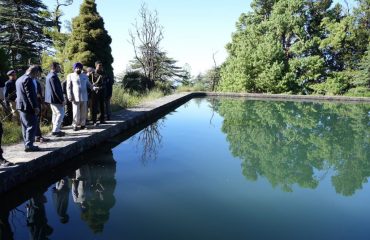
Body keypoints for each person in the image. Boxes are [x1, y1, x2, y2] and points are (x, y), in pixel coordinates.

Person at [16, 65, 41, 152]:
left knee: (24, 126)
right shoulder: (28, 79)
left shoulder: (19, 79)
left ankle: (27, 144)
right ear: (33, 72)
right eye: (36, 74)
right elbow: (30, 95)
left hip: (20, 106)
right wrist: (35, 107)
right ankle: (29, 145)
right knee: (31, 125)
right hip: (28, 106)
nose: (36, 76)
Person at [67, 62, 92, 131]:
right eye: (77, 68)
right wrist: (69, 96)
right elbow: (68, 87)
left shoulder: (84, 76)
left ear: (81, 69)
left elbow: (89, 84)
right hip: (75, 97)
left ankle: (83, 125)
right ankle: (74, 125)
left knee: (84, 112)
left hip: (84, 97)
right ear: (74, 69)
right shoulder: (70, 75)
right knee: (75, 112)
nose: (78, 69)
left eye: (80, 68)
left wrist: (94, 88)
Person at [45, 62, 65, 137]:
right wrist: (61, 100)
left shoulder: (49, 75)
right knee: (61, 114)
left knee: (55, 114)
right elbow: (56, 90)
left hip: (51, 99)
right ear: (54, 67)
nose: (59, 68)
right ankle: (56, 130)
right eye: (58, 67)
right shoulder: (53, 76)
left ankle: (55, 129)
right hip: (55, 99)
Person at [89, 61, 107, 126]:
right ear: (96, 66)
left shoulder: (104, 73)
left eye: (101, 65)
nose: (101, 66)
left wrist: (101, 87)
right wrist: (94, 87)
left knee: (102, 106)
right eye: (99, 65)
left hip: (101, 91)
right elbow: (89, 83)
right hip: (94, 92)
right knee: (94, 107)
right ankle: (94, 121)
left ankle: (102, 119)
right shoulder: (92, 74)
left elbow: (105, 83)